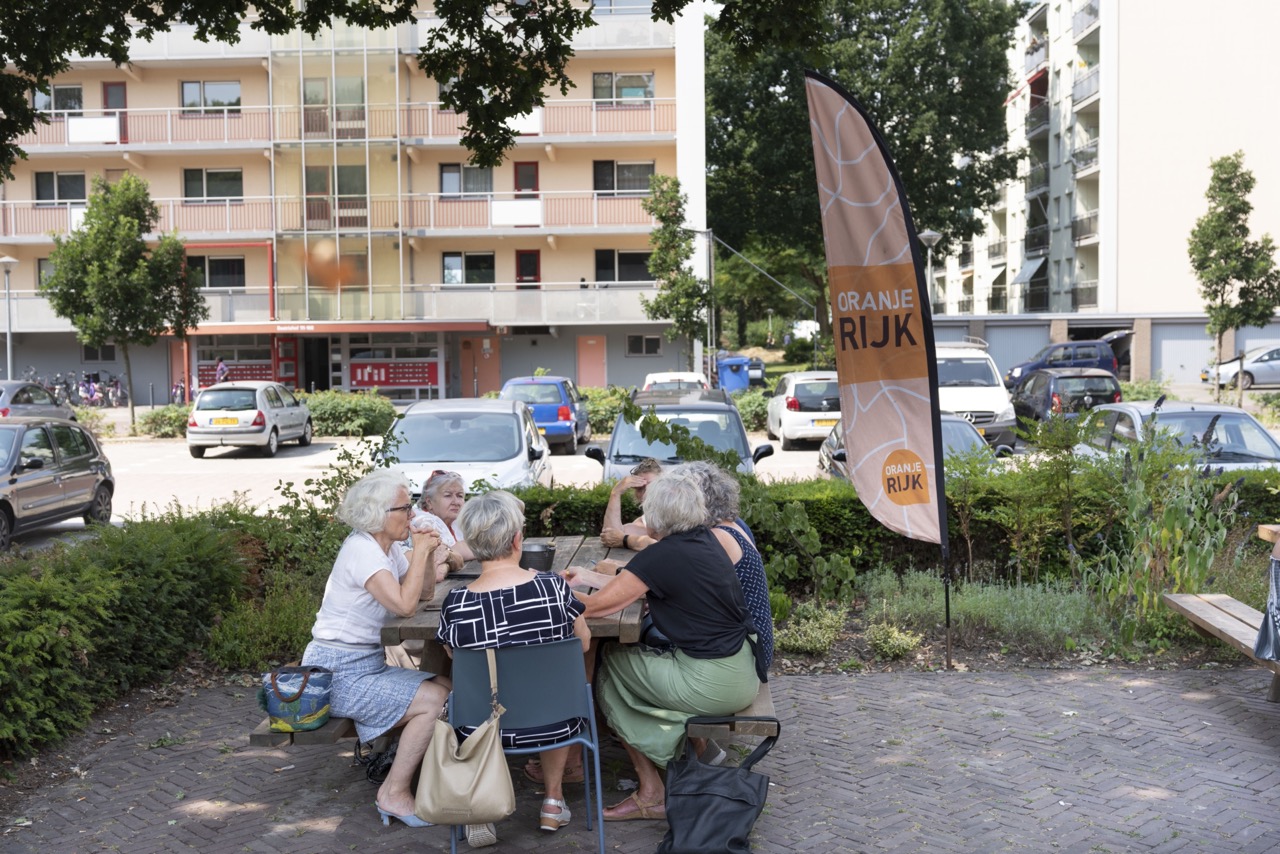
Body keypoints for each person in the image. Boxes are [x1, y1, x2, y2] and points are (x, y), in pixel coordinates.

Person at [568, 469, 761, 822]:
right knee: (631, 661)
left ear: (656, 516)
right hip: (743, 669)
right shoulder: (703, 540)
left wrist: (545, 588)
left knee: (606, 664)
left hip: (711, 682)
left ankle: (651, 790)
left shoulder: (662, 556)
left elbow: (595, 607)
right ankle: (680, 744)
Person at [436, 490, 590, 848]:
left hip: (483, 726)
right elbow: (581, 644)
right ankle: (553, 801)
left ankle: (482, 809)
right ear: (518, 539)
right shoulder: (553, 589)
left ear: (472, 545)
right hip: (557, 722)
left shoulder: (456, 603)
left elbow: (455, 658)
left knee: (473, 696)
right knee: (553, 693)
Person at [299, 469, 450, 829]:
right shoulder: (361, 551)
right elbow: (403, 605)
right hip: (336, 673)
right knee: (435, 701)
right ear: (379, 514)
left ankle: (419, 772)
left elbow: (424, 593)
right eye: (406, 507)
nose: (412, 514)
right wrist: (421, 552)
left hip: (365, 664)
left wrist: (423, 555)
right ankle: (393, 792)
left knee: (447, 686)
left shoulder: (388, 547)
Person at [412, 470, 475, 582]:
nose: (456, 502)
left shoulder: (455, 522)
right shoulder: (423, 522)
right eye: (448, 495)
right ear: (429, 502)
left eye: (460, 496)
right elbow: (450, 552)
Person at [599, 458, 662, 551]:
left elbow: (661, 546)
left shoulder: (678, 513)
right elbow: (610, 536)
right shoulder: (641, 524)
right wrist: (616, 493)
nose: (646, 492)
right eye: (640, 488)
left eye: (651, 485)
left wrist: (625, 540)